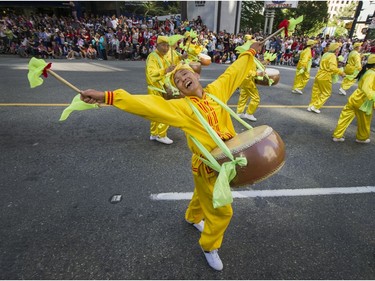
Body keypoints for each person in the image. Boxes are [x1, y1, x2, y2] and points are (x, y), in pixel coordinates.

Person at [79, 41, 263, 271]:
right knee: (222, 211)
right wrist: (106, 96)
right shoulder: (182, 108)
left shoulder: (216, 91)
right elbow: (147, 104)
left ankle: (193, 217)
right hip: (208, 169)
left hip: (218, 165)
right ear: (179, 90)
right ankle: (209, 246)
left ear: (196, 76)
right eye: (177, 80)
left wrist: (250, 52)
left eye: (185, 73)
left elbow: (233, 72)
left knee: (202, 195)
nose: (182, 78)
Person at [332, 54, 375, 143]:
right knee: (364, 122)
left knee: (345, 117)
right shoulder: (372, 73)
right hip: (363, 102)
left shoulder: (367, 71)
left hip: (354, 98)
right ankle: (361, 138)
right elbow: (367, 89)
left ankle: (337, 135)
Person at [145, 35, 175, 145]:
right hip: (156, 88)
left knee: (155, 112)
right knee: (164, 112)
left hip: (160, 88)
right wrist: (166, 70)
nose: (166, 48)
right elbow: (152, 74)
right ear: (157, 45)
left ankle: (154, 133)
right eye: (163, 45)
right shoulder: (153, 57)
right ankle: (161, 135)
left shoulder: (162, 56)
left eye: (167, 46)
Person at [307, 42, 346, 114]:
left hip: (319, 74)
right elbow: (332, 67)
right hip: (326, 75)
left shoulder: (325, 54)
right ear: (335, 49)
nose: (338, 50)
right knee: (326, 93)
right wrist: (341, 73)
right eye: (338, 49)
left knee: (316, 91)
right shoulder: (332, 56)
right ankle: (315, 106)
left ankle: (311, 105)